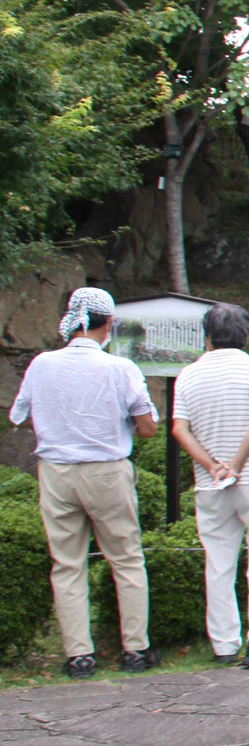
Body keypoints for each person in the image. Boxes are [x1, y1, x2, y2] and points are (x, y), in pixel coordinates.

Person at [8, 287, 160, 678]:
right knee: (125, 559)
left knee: (67, 563)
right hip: (107, 470)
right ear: (109, 323)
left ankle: (79, 655)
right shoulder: (119, 368)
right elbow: (147, 428)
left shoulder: (41, 364)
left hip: (56, 471)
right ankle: (135, 649)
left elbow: (22, 416)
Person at [170, 302, 249, 670]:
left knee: (219, 563)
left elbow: (179, 429)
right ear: (246, 334)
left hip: (209, 483)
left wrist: (213, 465)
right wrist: (237, 466)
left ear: (207, 335)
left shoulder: (187, 375)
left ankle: (224, 644)